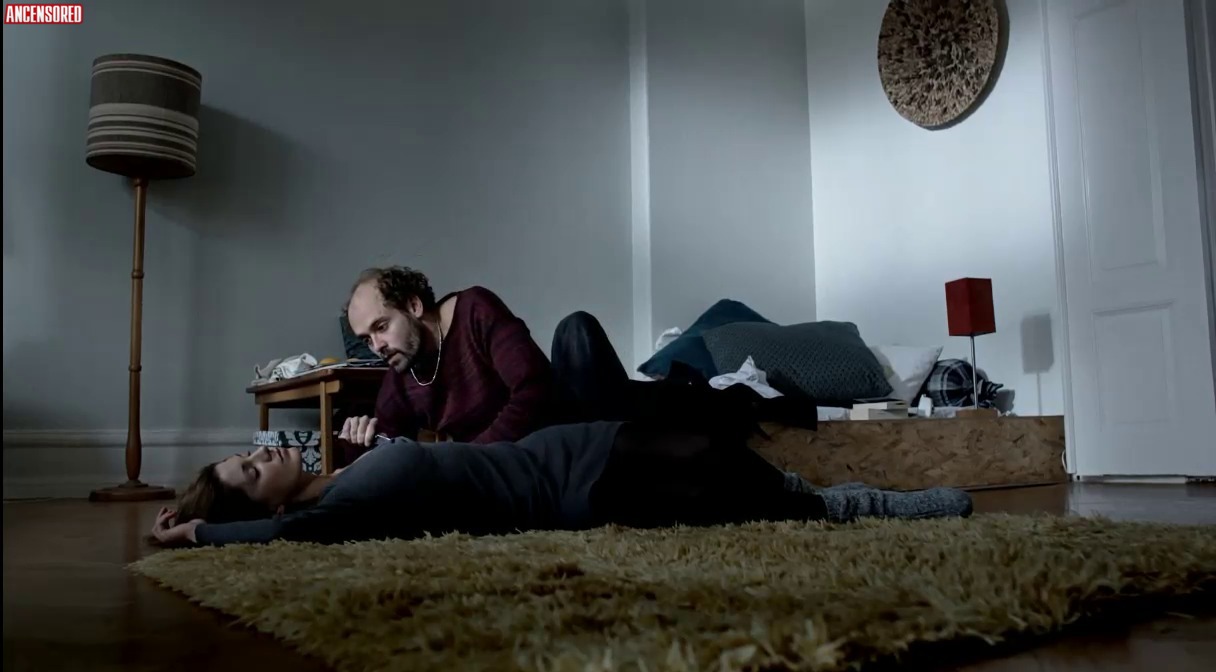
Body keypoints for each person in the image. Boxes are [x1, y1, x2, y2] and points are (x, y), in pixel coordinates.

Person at [149, 420, 974, 548]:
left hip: (561, 448)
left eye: (249, 454)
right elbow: (294, 536)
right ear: (263, 503)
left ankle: (792, 486)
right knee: (723, 496)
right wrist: (204, 532)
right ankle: (850, 506)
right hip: (574, 496)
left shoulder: (349, 467)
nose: (261, 456)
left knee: (708, 443)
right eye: (250, 473)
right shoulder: (341, 508)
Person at [341, 267, 563, 451]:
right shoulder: (401, 371)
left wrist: (468, 460)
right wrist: (359, 440)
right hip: (484, 472)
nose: (377, 347)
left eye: (381, 327)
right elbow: (388, 450)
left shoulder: (475, 310)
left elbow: (534, 390)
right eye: (367, 340)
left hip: (542, 450)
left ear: (413, 306)